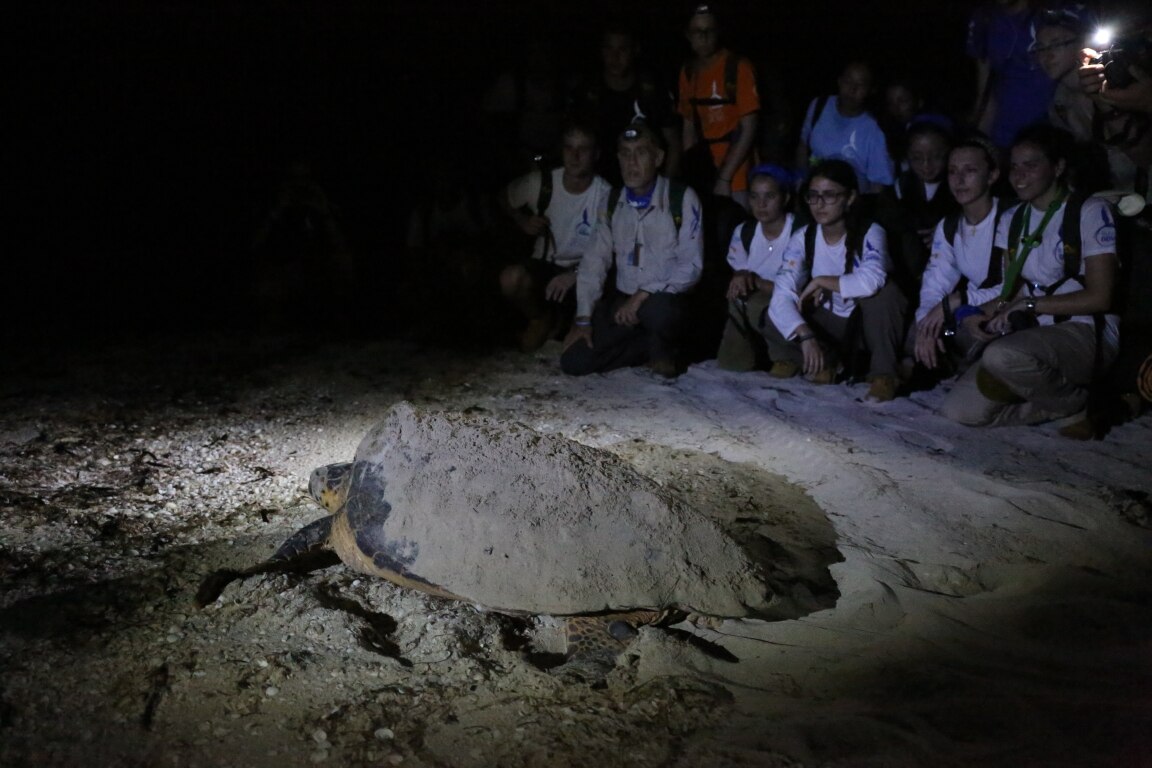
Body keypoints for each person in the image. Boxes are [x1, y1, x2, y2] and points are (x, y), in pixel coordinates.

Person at [942, 124, 1120, 435]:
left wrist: (1029, 304)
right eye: (1014, 166)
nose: (1019, 175)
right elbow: (1010, 291)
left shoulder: (1089, 211)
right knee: (960, 410)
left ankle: (1075, 404)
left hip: (1086, 329)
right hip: (1036, 332)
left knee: (1002, 355)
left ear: (1058, 167)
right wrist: (972, 314)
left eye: (1031, 164)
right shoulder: (1013, 219)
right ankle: (1063, 402)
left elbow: (1100, 296)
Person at [561, 122, 703, 378]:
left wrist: (644, 294)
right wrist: (583, 319)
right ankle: (647, 349)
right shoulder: (613, 201)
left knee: (660, 311)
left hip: (665, 302)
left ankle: (666, 350)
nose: (632, 162)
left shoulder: (681, 198)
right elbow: (594, 261)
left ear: (658, 157)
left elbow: (692, 267)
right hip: (625, 306)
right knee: (574, 361)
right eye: (625, 153)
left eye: (641, 152)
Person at [762, 159, 907, 402]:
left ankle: (884, 375)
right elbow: (782, 293)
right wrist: (806, 335)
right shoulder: (804, 237)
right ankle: (825, 362)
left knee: (886, 294)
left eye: (830, 196)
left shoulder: (868, 231)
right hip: (828, 323)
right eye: (813, 196)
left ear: (849, 198)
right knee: (773, 313)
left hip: (862, 323)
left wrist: (821, 281)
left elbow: (872, 279)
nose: (820, 204)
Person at [499, 122, 613, 352]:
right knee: (511, 278)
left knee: (577, 347)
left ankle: (564, 323)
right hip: (545, 267)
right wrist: (523, 221)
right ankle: (539, 317)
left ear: (596, 154)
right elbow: (504, 197)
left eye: (583, 149)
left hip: (583, 273)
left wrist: (576, 274)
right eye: (569, 148)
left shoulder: (606, 194)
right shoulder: (543, 183)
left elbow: (611, 251)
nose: (575, 155)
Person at [912, 136, 1006, 373]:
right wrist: (927, 327)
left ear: (992, 176)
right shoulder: (950, 226)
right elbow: (935, 284)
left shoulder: (1010, 218)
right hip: (967, 313)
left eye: (970, 170)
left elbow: (1014, 287)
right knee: (919, 330)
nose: (959, 180)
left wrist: (958, 302)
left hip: (1002, 313)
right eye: (953, 171)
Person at [568, 21, 681, 188]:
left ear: (635, 50)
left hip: (645, 184)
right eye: (609, 49)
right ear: (601, 51)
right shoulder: (587, 92)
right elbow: (573, 144)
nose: (615, 57)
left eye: (622, 49)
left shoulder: (652, 91)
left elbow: (674, 144)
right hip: (597, 186)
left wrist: (663, 191)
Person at [715, 164, 797, 371]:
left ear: (785, 198)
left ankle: (788, 358)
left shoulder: (798, 231)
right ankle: (738, 360)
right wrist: (741, 277)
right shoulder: (745, 232)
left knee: (758, 303)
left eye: (769, 196)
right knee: (738, 294)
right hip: (759, 298)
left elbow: (795, 287)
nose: (761, 204)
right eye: (754, 197)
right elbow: (740, 274)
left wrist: (755, 281)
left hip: (793, 299)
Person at [677, 3, 760, 209]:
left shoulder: (738, 67)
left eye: (709, 31)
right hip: (704, 172)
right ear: (688, 35)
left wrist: (725, 179)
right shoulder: (688, 71)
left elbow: (749, 128)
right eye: (697, 31)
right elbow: (689, 126)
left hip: (736, 175)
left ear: (718, 32)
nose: (703, 37)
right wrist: (691, 172)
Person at [876, 121, 960, 302]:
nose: (927, 165)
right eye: (917, 158)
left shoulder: (959, 186)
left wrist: (946, 231)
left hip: (951, 274)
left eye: (937, 156)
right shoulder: (900, 188)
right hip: (908, 275)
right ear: (907, 157)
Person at [966, 0, 1056, 151]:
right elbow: (985, 91)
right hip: (1004, 139)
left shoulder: (1055, 14)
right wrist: (980, 143)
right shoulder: (984, 19)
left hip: (1052, 134)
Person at [796, 61, 895, 194]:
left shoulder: (875, 128)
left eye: (861, 85)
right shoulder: (819, 105)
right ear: (840, 82)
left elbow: (878, 183)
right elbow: (803, 144)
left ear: (871, 90)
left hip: (852, 206)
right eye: (848, 81)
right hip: (815, 199)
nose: (852, 89)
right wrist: (802, 182)